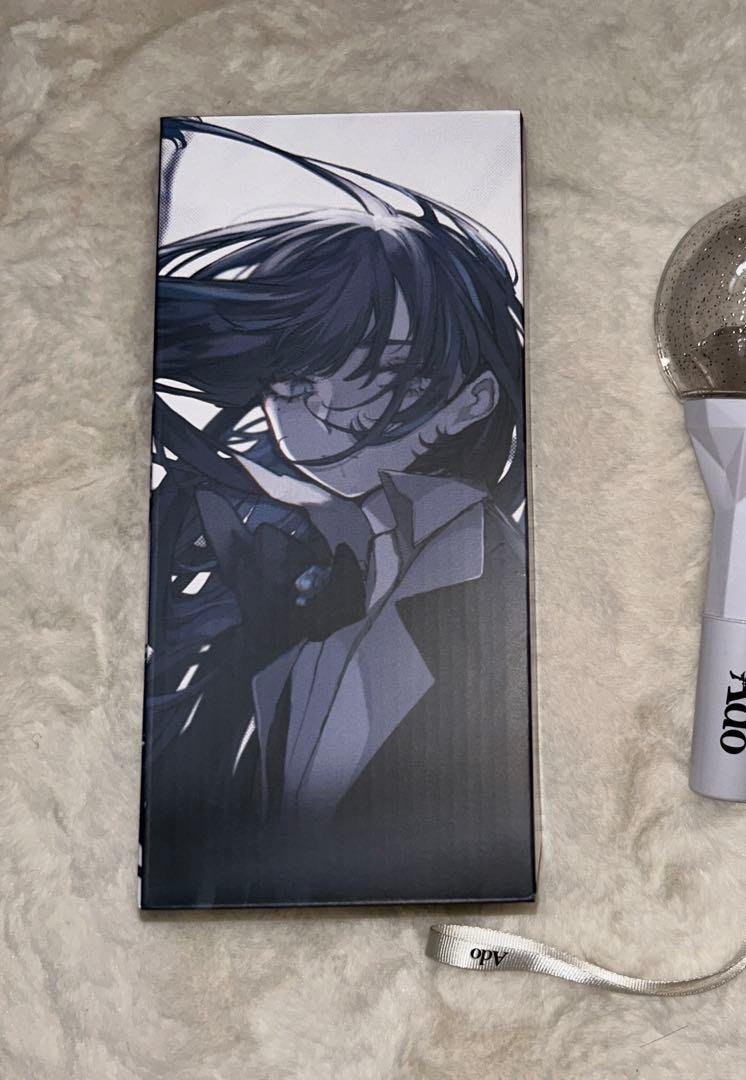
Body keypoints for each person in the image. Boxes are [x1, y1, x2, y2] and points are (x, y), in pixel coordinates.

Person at [141, 119, 533, 907]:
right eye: (294, 374)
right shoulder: (291, 562)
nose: (319, 409)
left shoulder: (491, 583)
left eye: (384, 373)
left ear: (471, 402)